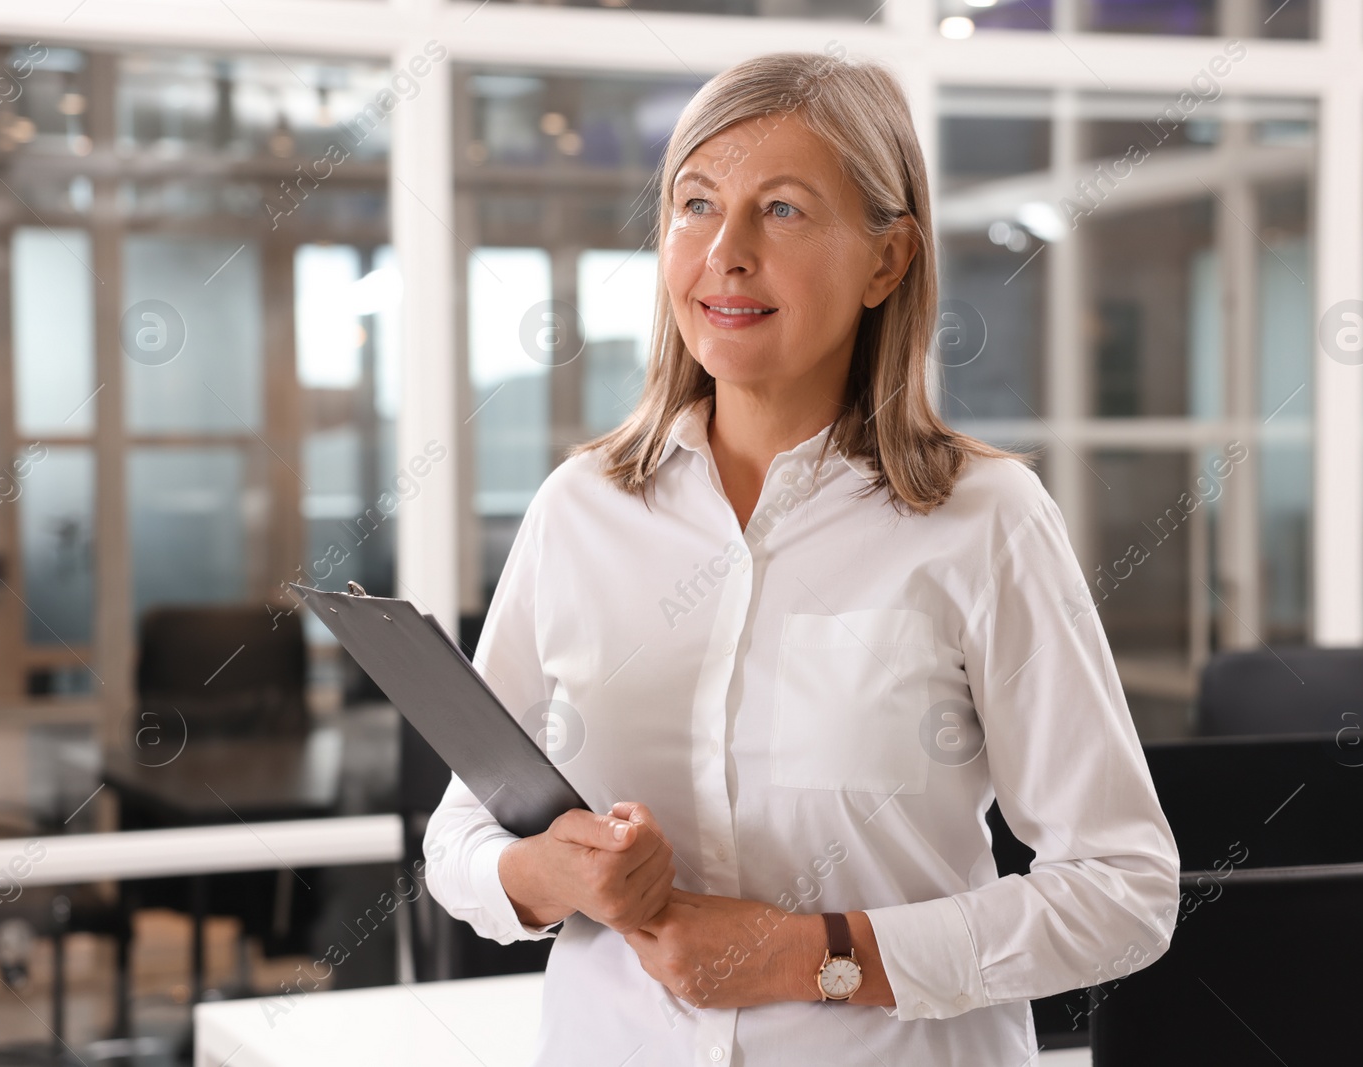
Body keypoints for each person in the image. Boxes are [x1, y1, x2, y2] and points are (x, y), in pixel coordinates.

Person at [424, 48, 1180, 1065]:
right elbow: (457, 839)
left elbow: (1123, 890)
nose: (725, 251)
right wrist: (556, 876)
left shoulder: (984, 518)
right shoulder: (579, 510)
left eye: (780, 210)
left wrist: (817, 953)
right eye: (695, 204)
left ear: (887, 259)